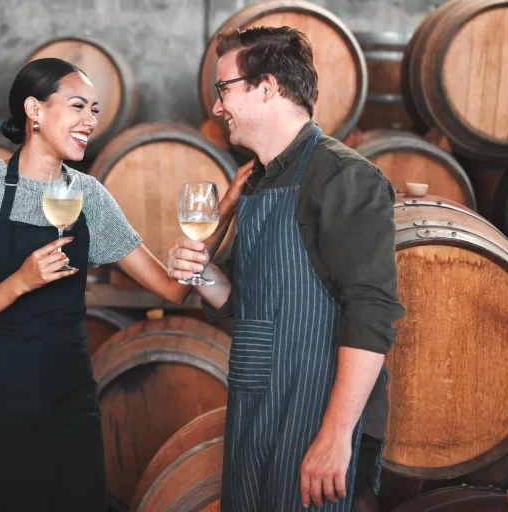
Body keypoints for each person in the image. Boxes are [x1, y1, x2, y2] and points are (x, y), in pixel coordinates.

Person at [0, 57, 241, 511]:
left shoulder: (89, 196)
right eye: (78, 106)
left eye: (95, 110)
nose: (90, 121)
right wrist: (19, 283)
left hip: (67, 403)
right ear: (34, 110)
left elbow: (171, 288)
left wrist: (225, 210)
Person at [167, 27, 406, 511]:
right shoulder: (256, 179)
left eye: (223, 89)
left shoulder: (345, 177)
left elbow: (373, 312)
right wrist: (200, 273)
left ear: (267, 87)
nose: (217, 107)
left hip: (315, 412)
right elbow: (240, 299)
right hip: (254, 412)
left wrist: (336, 437)